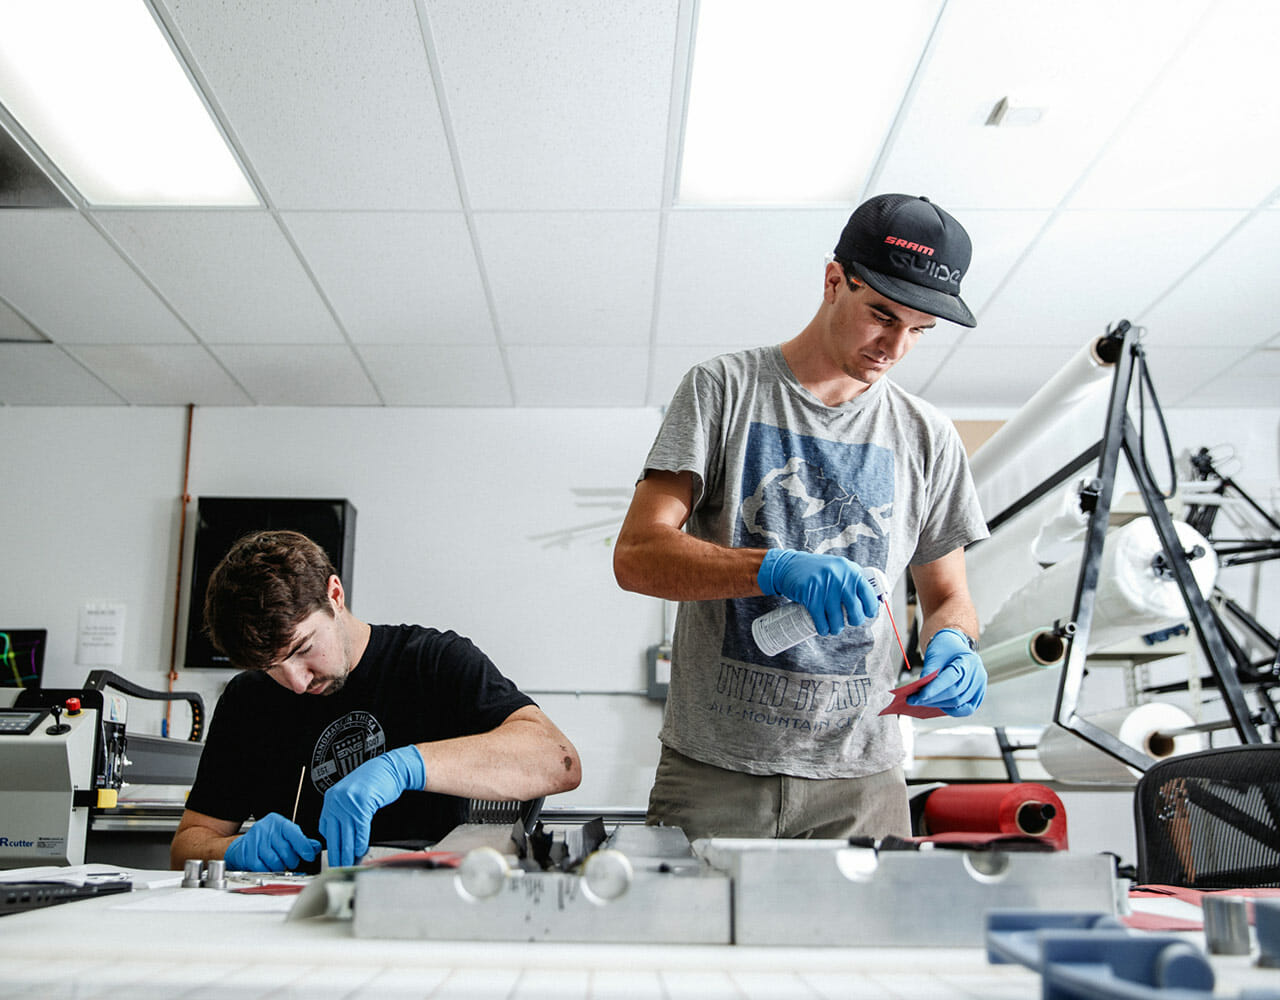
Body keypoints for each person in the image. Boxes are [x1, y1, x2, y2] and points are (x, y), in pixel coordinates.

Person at [613, 193, 988, 842]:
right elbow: (637, 556)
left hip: (863, 780)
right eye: (882, 316)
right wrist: (774, 567)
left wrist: (954, 642)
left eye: (919, 330)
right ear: (834, 280)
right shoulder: (723, 389)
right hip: (716, 770)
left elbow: (948, 596)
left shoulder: (928, 436)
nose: (894, 347)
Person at [170, 530, 581, 871]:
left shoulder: (432, 661)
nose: (296, 682)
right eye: (272, 667)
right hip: (287, 910)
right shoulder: (247, 700)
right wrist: (232, 850)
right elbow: (187, 845)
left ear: (334, 595)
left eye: (303, 649)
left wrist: (404, 767)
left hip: (423, 903)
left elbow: (558, 761)